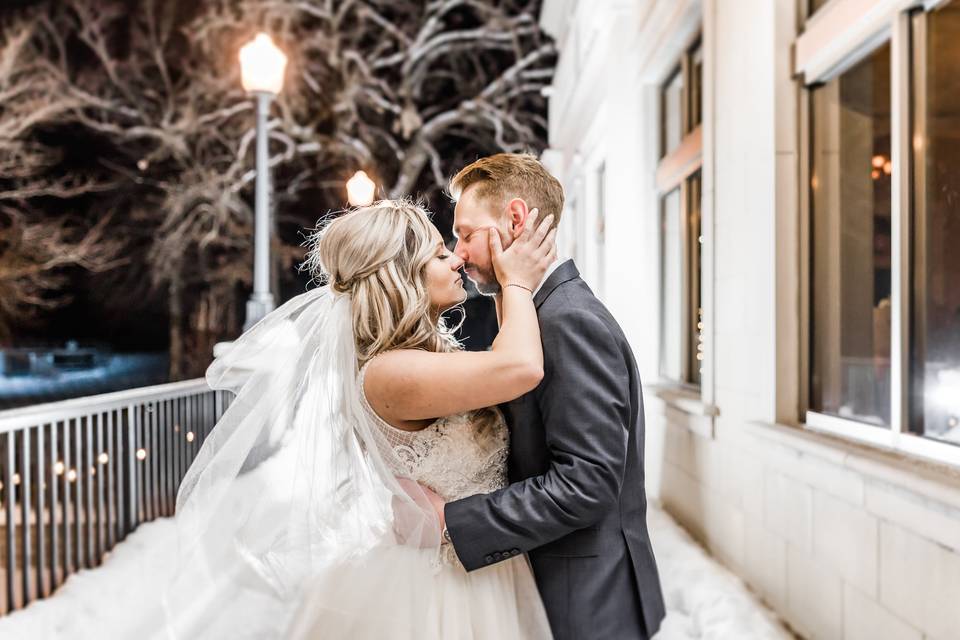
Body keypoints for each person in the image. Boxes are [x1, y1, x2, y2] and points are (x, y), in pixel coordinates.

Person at [159, 198, 559, 639]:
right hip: (440, 589)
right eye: (439, 255)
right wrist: (517, 282)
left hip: (481, 562)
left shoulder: (416, 358)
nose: (456, 257)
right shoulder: (391, 373)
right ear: (404, 276)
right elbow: (520, 367)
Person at [427, 153, 667, 640]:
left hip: (586, 601)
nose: (459, 253)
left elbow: (587, 483)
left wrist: (455, 521)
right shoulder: (540, 313)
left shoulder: (567, 321)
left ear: (515, 219)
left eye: (467, 233)